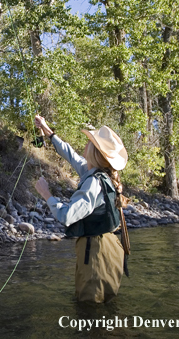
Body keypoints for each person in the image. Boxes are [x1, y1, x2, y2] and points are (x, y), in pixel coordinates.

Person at [34, 115, 128, 303]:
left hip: (96, 251)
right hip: (109, 247)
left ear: (94, 151)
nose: (85, 145)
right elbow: (69, 154)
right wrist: (47, 130)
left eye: (89, 142)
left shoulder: (93, 182)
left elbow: (67, 215)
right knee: (105, 308)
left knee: (91, 311)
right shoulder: (100, 173)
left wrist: (46, 194)